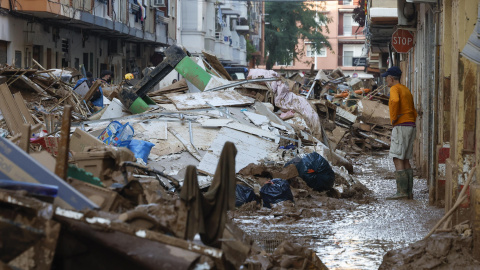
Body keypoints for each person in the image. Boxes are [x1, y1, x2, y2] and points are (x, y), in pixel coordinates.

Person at [382, 66, 418, 200]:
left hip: (401, 125)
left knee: (397, 157)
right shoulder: (406, 89)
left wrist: (394, 117)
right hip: (410, 125)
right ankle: (409, 192)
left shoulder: (394, 89)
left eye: (387, 78)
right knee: (405, 159)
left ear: (391, 78)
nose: (386, 81)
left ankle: (402, 192)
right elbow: (413, 108)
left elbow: (395, 101)